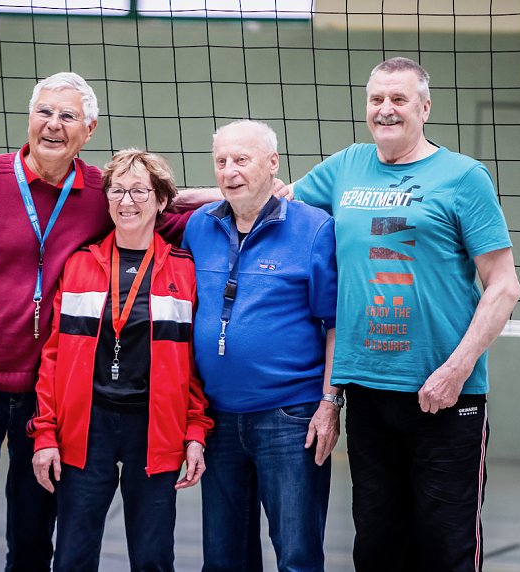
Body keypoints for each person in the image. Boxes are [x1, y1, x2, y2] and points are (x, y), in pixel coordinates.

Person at [0, 72, 195, 571]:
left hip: (48, 392)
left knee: (34, 531)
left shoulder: (98, 193)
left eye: (68, 116)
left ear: (90, 129)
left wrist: (229, 194)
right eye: (44, 112)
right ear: (29, 118)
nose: (53, 125)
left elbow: (157, 213)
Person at [284, 57, 520, 571]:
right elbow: (271, 201)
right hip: (368, 392)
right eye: (376, 100)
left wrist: (456, 369)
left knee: (445, 545)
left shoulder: (463, 177)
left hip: (444, 394)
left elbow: (503, 286)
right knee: (377, 545)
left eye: (398, 99)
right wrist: (163, 199)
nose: (385, 110)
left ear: (425, 107)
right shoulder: (346, 165)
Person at [28, 149, 213, 572]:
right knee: (72, 557)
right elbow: (52, 359)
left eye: (139, 191)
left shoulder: (185, 271)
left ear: (162, 200)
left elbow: (195, 365)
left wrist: (195, 429)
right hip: (85, 429)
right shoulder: (78, 264)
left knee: (152, 559)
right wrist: (44, 435)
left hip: (154, 431)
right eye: (117, 190)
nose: (126, 201)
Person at [182, 120, 340, 572]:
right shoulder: (199, 226)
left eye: (241, 160)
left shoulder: (315, 229)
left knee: (297, 556)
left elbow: (335, 325)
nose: (229, 171)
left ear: (273, 164)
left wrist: (329, 404)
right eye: (221, 161)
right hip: (218, 419)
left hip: (290, 418)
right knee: (224, 559)